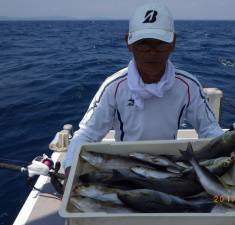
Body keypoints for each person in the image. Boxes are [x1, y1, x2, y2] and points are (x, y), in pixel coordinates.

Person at [63, 2, 224, 182]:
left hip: (171, 166)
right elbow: (87, 135)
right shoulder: (113, 87)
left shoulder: (188, 85)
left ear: (173, 43)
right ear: (128, 43)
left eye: (160, 44)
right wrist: (70, 166)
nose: (152, 53)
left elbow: (209, 129)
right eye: (143, 44)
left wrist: (227, 153)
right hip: (125, 170)